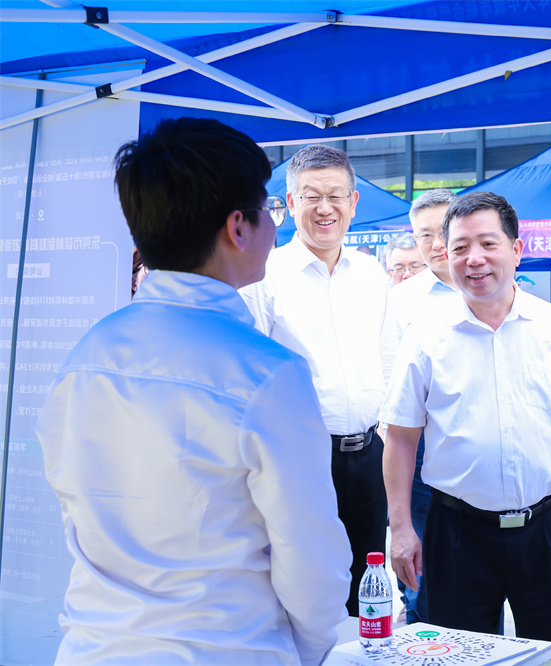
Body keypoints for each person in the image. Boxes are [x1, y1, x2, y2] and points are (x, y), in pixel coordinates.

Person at [35, 118, 352, 665]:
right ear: (238, 227)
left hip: (93, 647)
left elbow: (73, 505)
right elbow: (309, 558)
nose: (273, 225)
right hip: (226, 649)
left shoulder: (85, 355)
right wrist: (318, 644)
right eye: (268, 210)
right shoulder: (267, 372)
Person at [381, 192, 551, 664]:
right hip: (457, 530)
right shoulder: (426, 334)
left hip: (548, 527)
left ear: (516, 250)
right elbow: (400, 437)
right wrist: (400, 527)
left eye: (488, 243)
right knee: (457, 656)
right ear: (446, 255)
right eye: (460, 247)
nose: (474, 259)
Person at [240, 144, 394, 617]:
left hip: (369, 456)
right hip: (299, 459)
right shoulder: (263, 276)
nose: (325, 208)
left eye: (335, 195)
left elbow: (387, 358)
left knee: (366, 590)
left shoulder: (372, 274)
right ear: (290, 203)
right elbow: (245, 375)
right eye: (311, 196)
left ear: (353, 202)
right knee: (302, 590)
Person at [385, 188, 460, 624]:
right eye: (424, 235)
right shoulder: (402, 299)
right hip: (420, 450)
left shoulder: (499, 287)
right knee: (422, 570)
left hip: (482, 455)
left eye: (443, 230)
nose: (436, 244)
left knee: (475, 571)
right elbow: (388, 381)